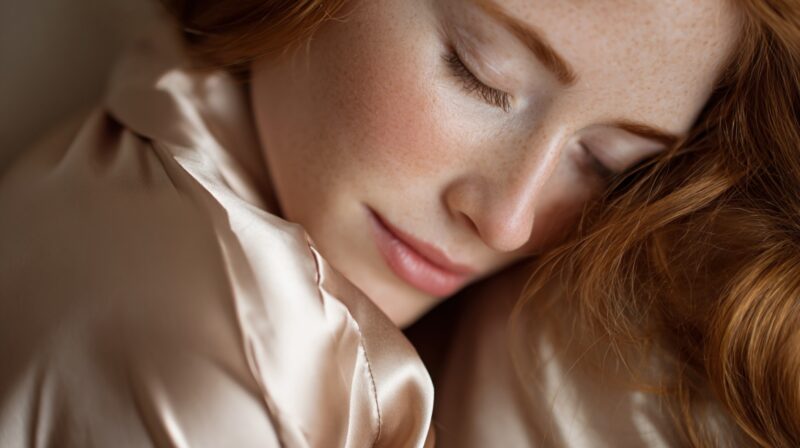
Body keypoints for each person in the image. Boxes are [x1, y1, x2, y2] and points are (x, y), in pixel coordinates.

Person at [0, 0, 796, 446]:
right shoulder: (213, 375)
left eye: (606, 161)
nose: (510, 223)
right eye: (479, 74)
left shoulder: (137, 139)